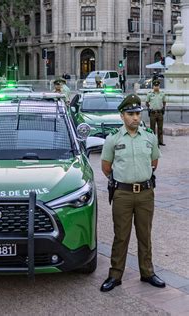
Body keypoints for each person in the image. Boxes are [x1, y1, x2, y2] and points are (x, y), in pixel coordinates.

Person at [100, 94, 165, 292]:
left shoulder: (149, 137)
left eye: (137, 113)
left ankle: (147, 272)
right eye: (130, 114)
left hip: (145, 193)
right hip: (123, 194)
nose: (135, 117)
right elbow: (106, 167)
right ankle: (115, 275)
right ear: (122, 116)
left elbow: (153, 163)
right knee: (121, 235)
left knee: (145, 234)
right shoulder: (113, 139)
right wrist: (124, 179)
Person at [145, 79, 167, 146]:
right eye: (155, 86)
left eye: (157, 86)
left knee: (160, 128)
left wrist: (163, 108)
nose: (156, 87)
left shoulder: (162, 94)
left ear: (159, 86)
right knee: (152, 128)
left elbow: (164, 102)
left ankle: (160, 141)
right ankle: (153, 142)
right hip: (153, 113)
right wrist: (149, 108)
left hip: (160, 113)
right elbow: (146, 102)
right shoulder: (150, 94)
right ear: (153, 86)